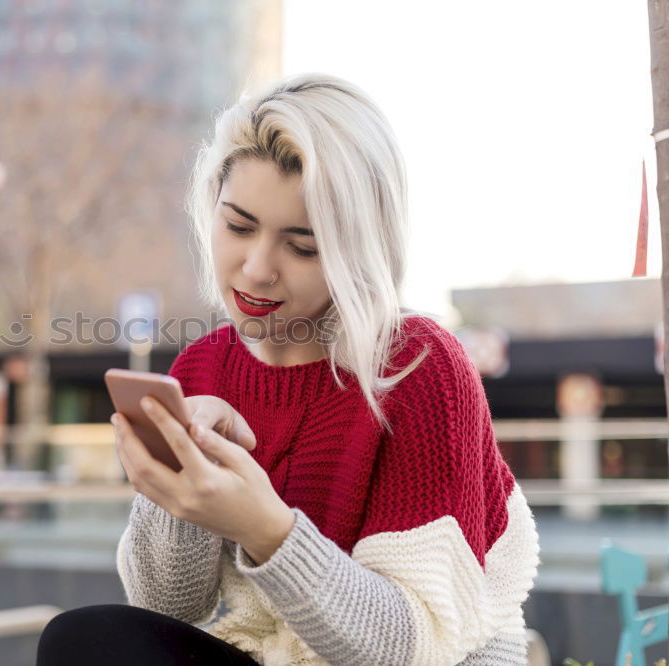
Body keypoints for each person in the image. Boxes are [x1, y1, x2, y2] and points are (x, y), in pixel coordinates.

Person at [36, 73, 540, 666]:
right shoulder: (202, 364)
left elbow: (416, 647)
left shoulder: (416, 365)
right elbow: (168, 606)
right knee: (84, 639)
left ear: (359, 250)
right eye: (238, 226)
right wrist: (177, 483)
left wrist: (266, 526)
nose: (255, 269)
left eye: (302, 246)